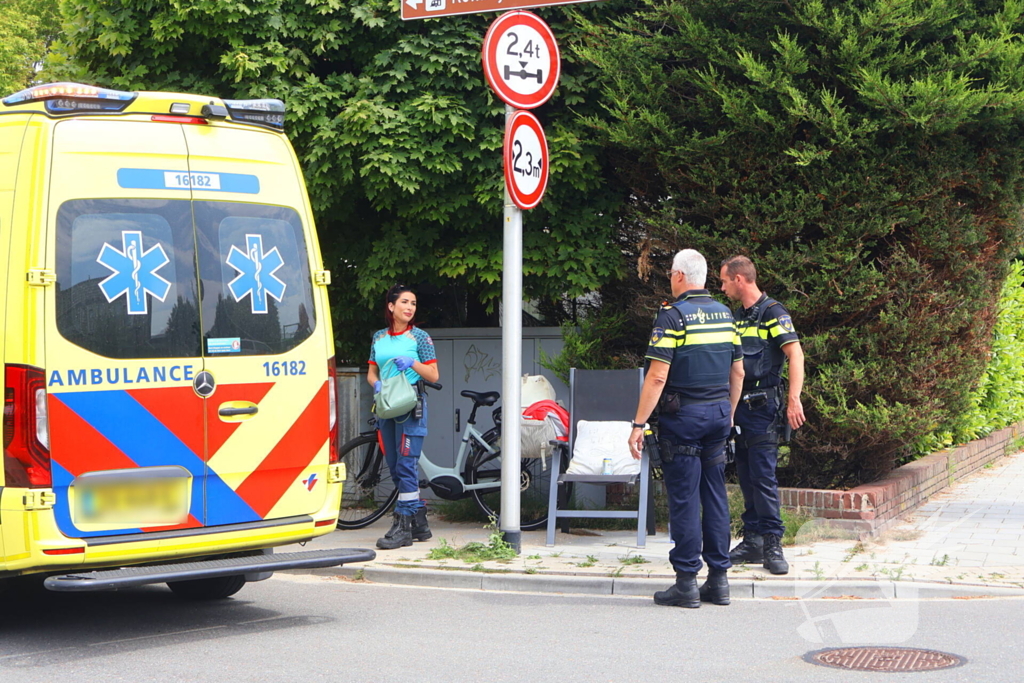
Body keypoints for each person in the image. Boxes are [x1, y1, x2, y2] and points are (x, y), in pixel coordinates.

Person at [628, 249, 744, 608]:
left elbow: (658, 374)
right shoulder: (726, 315)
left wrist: (638, 424)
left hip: (684, 420)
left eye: (670, 275)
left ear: (679, 276)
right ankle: (719, 581)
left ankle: (686, 583)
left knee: (684, 499)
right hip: (718, 416)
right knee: (715, 495)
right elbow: (737, 372)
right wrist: (729, 414)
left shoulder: (673, 317)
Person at [719, 255, 806, 575]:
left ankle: (772, 543)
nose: (723, 286)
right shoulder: (738, 317)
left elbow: (795, 354)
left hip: (763, 406)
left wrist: (793, 400)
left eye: (725, 280)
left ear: (740, 279)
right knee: (745, 476)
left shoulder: (773, 312)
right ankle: (753, 539)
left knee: (764, 478)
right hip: (740, 407)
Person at [367, 284, 440, 550]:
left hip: (411, 405)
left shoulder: (420, 337)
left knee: (406, 464)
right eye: (405, 303)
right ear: (391, 306)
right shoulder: (378, 337)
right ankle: (420, 521)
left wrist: (412, 364)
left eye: (414, 303)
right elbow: (372, 372)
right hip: (387, 405)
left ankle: (404, 525)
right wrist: (375, 384)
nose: (410, 308)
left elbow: (433, 375)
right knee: (396, 465)